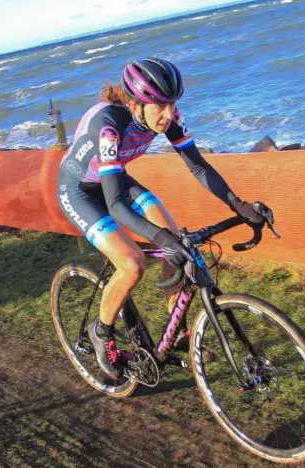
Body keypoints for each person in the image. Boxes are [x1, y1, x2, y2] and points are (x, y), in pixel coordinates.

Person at [56, 58, 274, 379]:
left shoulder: (165, 117)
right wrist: (158, 238)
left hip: (114, 178)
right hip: (79, 191)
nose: (169, 115)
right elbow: (115, 204)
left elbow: (198, 166)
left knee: (178, 241)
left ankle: (178, 334)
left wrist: (238, 205)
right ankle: (100, 332)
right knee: (132, 264)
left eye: (173, 105)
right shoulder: (109, 126)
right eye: (160, 106)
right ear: (134, 104)